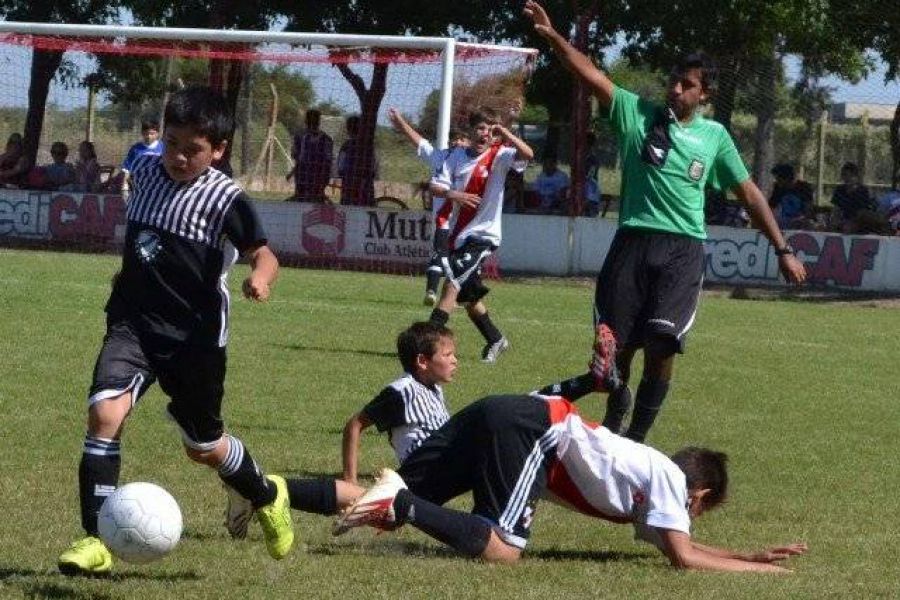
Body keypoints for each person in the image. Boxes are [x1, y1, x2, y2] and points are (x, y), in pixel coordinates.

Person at [524, 1, 806, 443]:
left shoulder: (714, 137)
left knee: (662, 344)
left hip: (682, 251)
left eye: (687, 85)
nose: (676, 89)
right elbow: (591, 74)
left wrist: (783, 248)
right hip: (632, 243)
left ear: (704, 94)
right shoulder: (637, 113)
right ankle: (617, 400)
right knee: (614, 352)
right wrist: (554, 37)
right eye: (674, 80)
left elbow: (749, 192)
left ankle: (635, 438)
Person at [57, 85, 294, 577]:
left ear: (219, 151)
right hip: (133, 322)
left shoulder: (227, 200)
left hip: (195, 339)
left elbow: (265, 254)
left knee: (202, 447)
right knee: (105, 414)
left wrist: (260, 279)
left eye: (193, 149)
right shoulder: (143, 172)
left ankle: (267, 494)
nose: (179, 157)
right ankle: (95, 537)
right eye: (172, 143)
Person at [332, 392, 807, 570]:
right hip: (534, 428)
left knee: (367, 502)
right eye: (699, 513)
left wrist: (744, 554)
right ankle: (404, 503)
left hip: (505, 409)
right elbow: (683, 557)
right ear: (697, 495)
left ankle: (266, 490)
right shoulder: (666, 478)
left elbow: (676, 549)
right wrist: (760, 571)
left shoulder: (652, 472)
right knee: (502, 549)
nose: (691, 522)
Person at [223, 321, 457, 538]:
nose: (455, 360)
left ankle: (254, 491)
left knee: (388, 513)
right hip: (417, 479)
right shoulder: (402, 392)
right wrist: (350, 479)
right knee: (367, 501)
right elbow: (355, 425)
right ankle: (255, 490)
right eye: (447, 355)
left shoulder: (434, 389)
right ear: (422, 361)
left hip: (431, 478)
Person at [427, 108, 533, 364]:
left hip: (484, 235)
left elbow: (528, 154)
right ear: (471, 131)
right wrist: (456, 195)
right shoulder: (456, 157)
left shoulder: (500, 156)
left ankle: (427, 345)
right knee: (467, 296)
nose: (484, 134)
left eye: (488, 129)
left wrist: (505, 132)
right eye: (479, 128)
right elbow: (434, 186)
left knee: (451, 284)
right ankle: (496, 339)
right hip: (460, 235)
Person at [387, 107, 458, 305]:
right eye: (454, 140)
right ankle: (432, 292)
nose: (457, 143)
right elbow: (418, 141)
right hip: (445, 219)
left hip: (466, 222)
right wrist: (400, 122)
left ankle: (456, 296)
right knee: (440, 254)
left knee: (457, 261)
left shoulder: (474, 160)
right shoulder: (440, 157)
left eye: (461, 140)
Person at [289, 109, 333, 202]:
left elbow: (294, 155)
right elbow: (328, 160)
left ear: (306, 121)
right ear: (319, 121)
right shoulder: (327, 138)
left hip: (303, 176)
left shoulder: (299, 136)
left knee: (301, 200)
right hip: (319, 177)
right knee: (317, 201)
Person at [337, 115, 378, 206]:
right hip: (366, 185)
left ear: (348, 129)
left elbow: (340, 166)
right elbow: (374, 165)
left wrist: (341, 173)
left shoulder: (346, 145)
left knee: (348, 209)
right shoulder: (368, 146)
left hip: (349, 183)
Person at [830, 162, 876, 231]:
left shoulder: (863, 191)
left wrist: (852, 223)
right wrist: (834, 221)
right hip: (842, 221)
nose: (847, 178)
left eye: (850, 176)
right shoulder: (839, 189)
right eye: (844, 175)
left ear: (856, 177)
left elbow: (863, 212)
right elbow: (836, 209)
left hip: (858, 223)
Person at [769, 163, 815, 230]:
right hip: (782, 222)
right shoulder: (778, 188)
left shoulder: (804, 188)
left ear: (786, 178)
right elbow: (771, 207)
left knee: (809, 224)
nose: (777, 181)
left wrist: (799, 219)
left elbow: (808, 210)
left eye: (778, 178)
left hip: (800, 221)